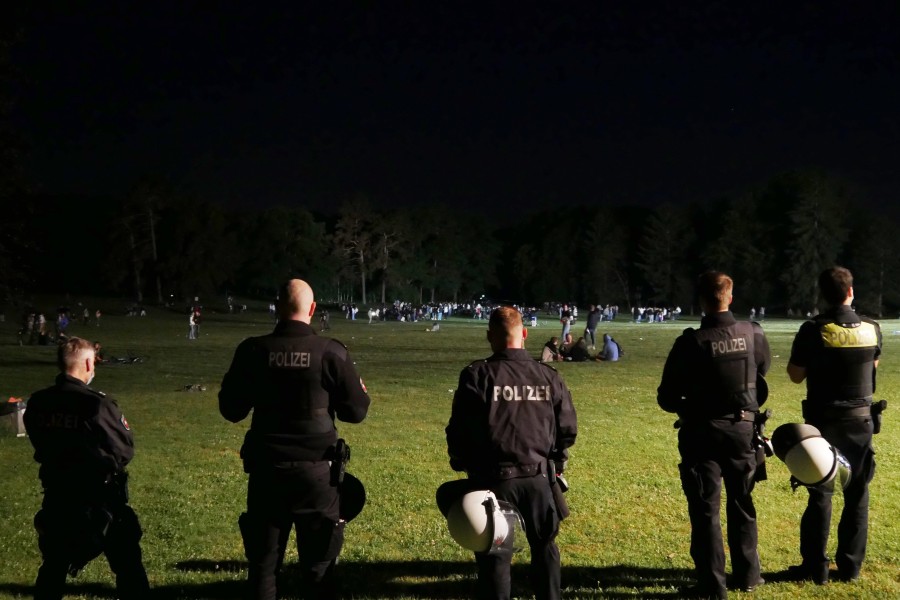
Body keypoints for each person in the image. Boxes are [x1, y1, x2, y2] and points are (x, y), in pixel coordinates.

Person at [219, 279, 371, 600]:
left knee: (263, 567)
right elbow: (356, 412)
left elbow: (231, 409)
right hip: (317, 477)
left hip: (266, 473)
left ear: (277, 308)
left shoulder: (253, 350)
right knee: (318, 570)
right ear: (313, 309)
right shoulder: (330, 352)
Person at [445, 306, 577, 600]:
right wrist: (555, 460)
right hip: (540, 479)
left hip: (494, 481)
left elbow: (459, 430)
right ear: (524, 334)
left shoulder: (477, 375)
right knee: (545, 548)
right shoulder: (548, 376)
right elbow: (567, 428)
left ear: (489, 336)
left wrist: (462, 462)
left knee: (495, 553)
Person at [657, 271, 771, 599]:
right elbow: (761, 371)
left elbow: (666, 397)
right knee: (742, 502)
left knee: (706, 509)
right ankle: (749, 575)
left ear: (702, 301)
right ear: (730, 297)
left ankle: (712, 584)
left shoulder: (691, 342)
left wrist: (690, 404)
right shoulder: (753, 333)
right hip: (743, 430)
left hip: (702, 432)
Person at [23, 337, 149, 600]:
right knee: (128, 565)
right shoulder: (96, 404)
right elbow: (124, 449)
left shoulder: (38, 402)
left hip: (58, 495)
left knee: (54, 566)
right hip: (100, 499)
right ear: (89, 363)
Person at [785, 266, 882, 584]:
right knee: (857, 494)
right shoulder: (871, 328)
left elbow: (795, 374)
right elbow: (873, 366)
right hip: (861, 420)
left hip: (824, 423)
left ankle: (816, 567)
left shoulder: (814, 329)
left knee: (820, 492)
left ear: (823, 296)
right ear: (851, 292)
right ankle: (851, 566)